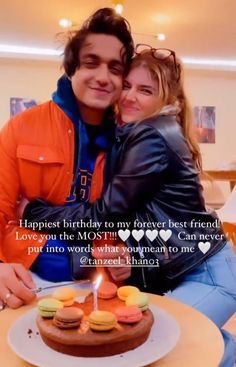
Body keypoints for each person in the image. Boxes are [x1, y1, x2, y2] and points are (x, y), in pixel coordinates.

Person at [23, 45, 236, 366]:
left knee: (161, 342)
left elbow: (103, 215)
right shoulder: (134, 135)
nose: (129, 96)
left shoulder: (153, 135)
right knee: (176, 343)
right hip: (189, 271)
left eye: (145, 90)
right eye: (126, 86)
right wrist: (135, 261)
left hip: (211, 276)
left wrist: (32, 213)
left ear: (167, 101)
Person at [0, 7, 134, 310]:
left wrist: (126, 252)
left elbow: (128, 218)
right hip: (27, 279)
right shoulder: (22, 127)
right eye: (91, 63)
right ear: (72, 68)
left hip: (103, 286)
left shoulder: (128, 140)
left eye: (115, 69)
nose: (103, 77)